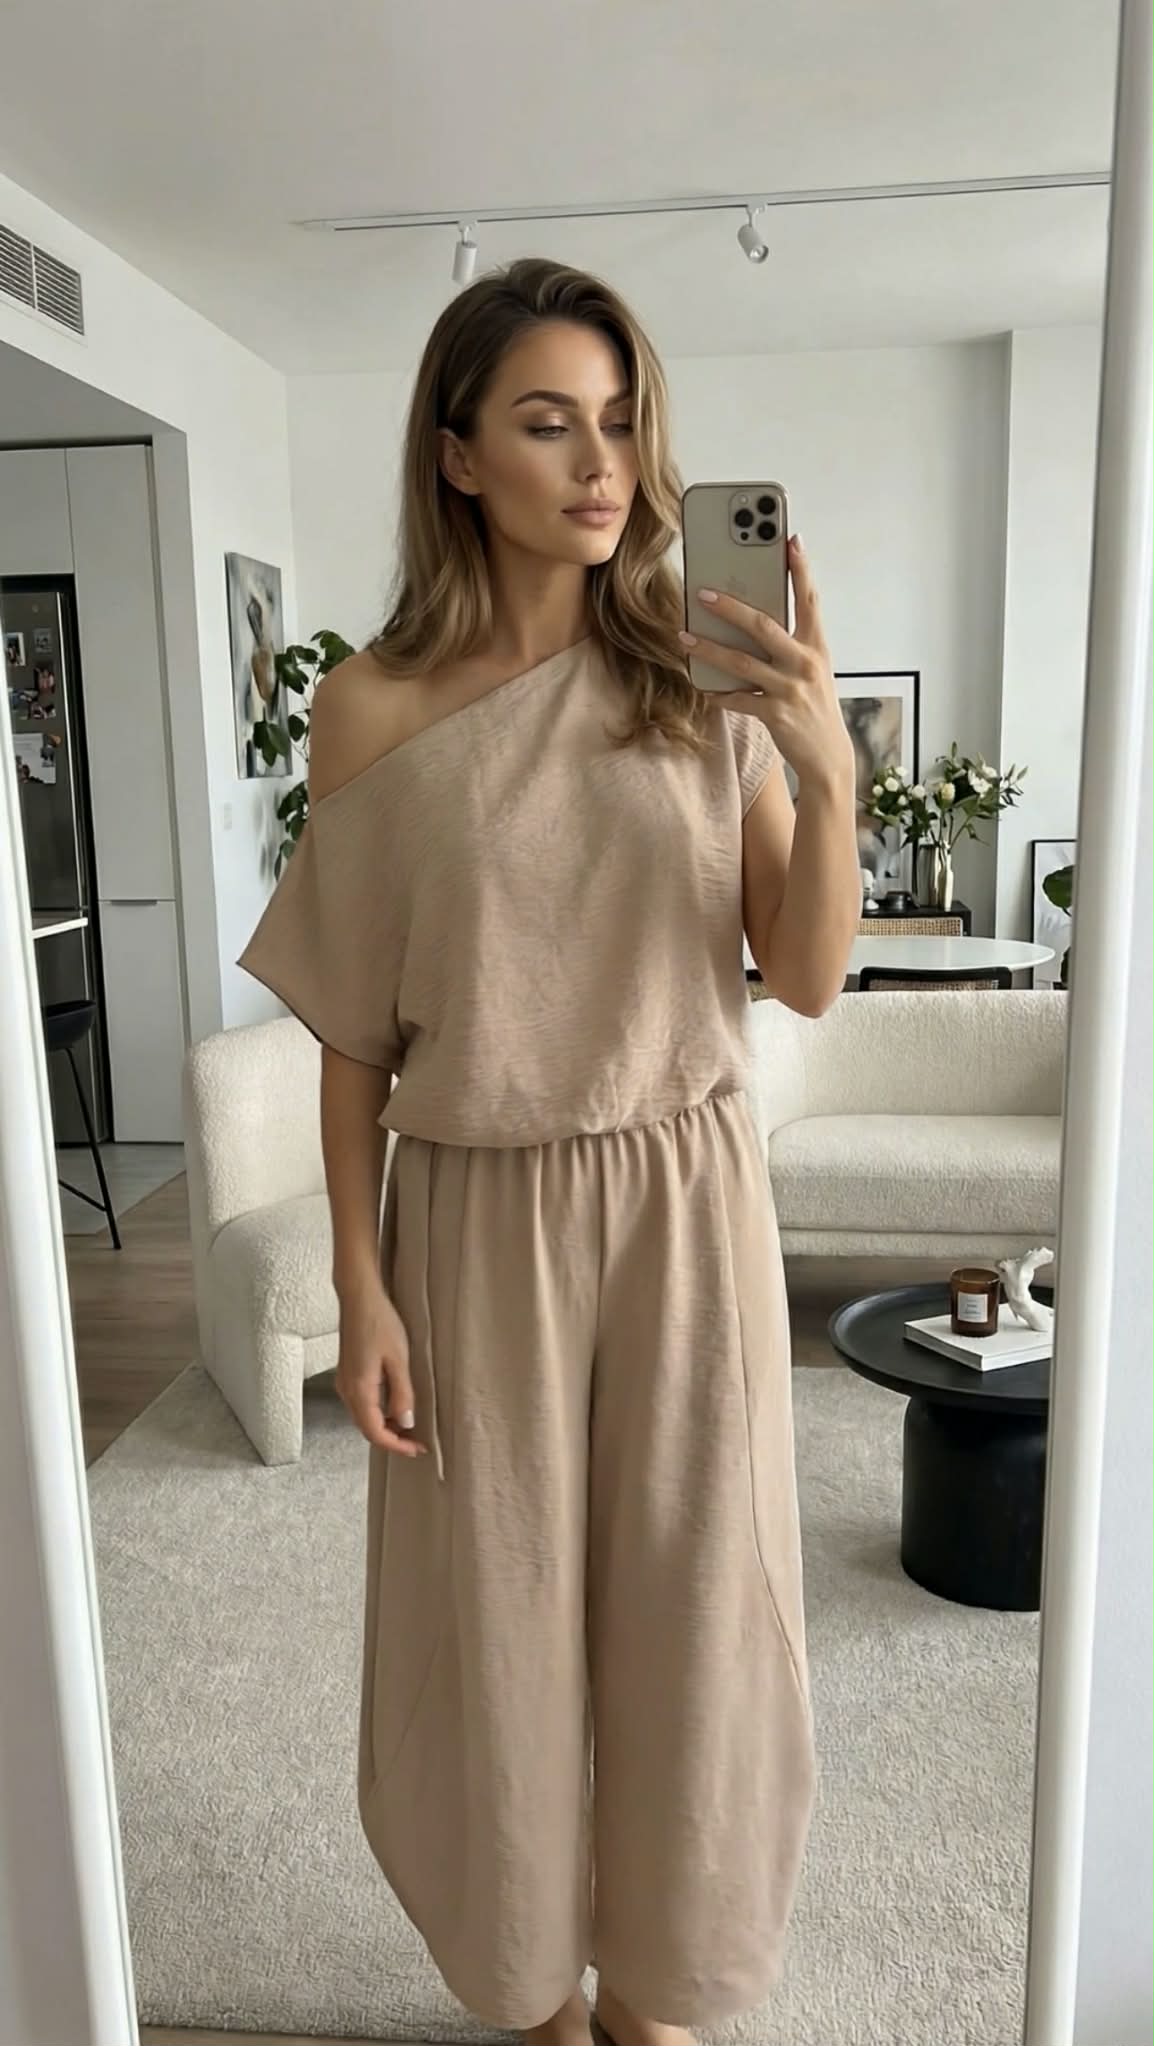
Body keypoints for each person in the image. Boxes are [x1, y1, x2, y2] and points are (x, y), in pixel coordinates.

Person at [238, 257, 860, 2046]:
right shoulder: (367, 707)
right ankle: (529, 1990)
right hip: (471, 1208)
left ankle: (660, 1988)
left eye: (619, 421)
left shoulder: (696, 675)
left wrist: (821, 767)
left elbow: (804, 971)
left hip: (686, 1197)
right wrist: (359, 1281)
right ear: (457, 454)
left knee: (698, 1601)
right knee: (491, 1610)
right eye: (545, 422)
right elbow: (356, 1034)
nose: (600, 464)